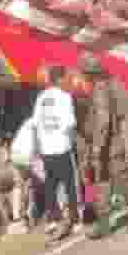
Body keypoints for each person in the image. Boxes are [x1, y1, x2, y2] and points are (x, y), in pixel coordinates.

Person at [78, 52, 128, 227]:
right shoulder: (108, 83)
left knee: (110, 175)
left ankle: (108, 217)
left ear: (88, 73)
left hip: (109, 137)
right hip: (111, 134)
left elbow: (104, 120)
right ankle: (105, 217)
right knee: (108, 176)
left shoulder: (100, 88)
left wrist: (97, 148)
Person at [30, 67, 80, 240]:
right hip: (62, 146)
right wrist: (72, 142)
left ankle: (53, 220)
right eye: (65, 78)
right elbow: (70, 124)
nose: (67, 80)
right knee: (70, 185)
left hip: (46, 149)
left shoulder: (41, 97)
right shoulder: (65, 97)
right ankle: (75, 220)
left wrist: (38, 148)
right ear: (59, 79)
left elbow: (35, 124)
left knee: (50, 185)